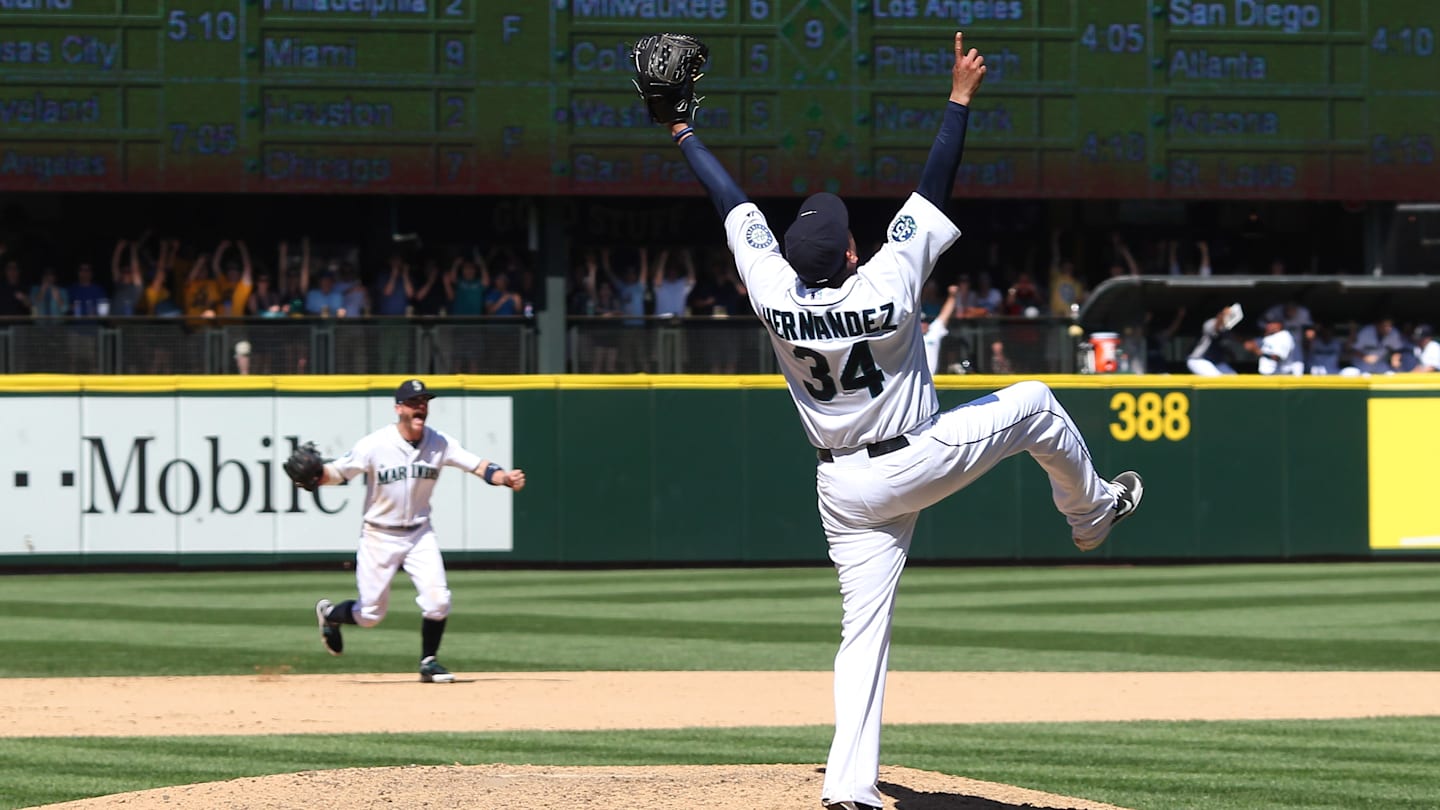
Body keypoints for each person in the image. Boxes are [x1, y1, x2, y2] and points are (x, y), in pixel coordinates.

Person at [648, 31, 1142, 810]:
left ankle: (848, 788)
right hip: (913, 458)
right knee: (1037, 402)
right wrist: (959, 97)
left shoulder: (772, 292)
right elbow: (936, 187)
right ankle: (1091, 514)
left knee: (862, 633)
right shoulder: (883, 278)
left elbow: (730, 202)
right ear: (849, 251)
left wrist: (678, 129)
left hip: (840, 489)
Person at [310, 379, 527, 682]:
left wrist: (503, 477)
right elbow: (338, 471)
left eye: (424, 401)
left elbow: (477, 465)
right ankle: (331, 616)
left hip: (419, 534)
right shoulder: (375, 444)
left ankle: (429, 662)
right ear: (398, 408)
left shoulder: (439, 443)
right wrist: (317, 475)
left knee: (438, 601)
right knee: (370, 616)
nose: (420, 407)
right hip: (378, 535)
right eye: (414, 402)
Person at [1187, 304, 1240, 375]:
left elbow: (1233, 340)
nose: (1228, 316)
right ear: (1219, 314)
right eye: (1224, 314)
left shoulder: (1226, 328)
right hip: (1198, 360)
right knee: (1216, 378)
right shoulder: (1210, 323)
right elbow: (1216, 329)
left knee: (1233, 377)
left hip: (1215, 362)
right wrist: (1223, 315)